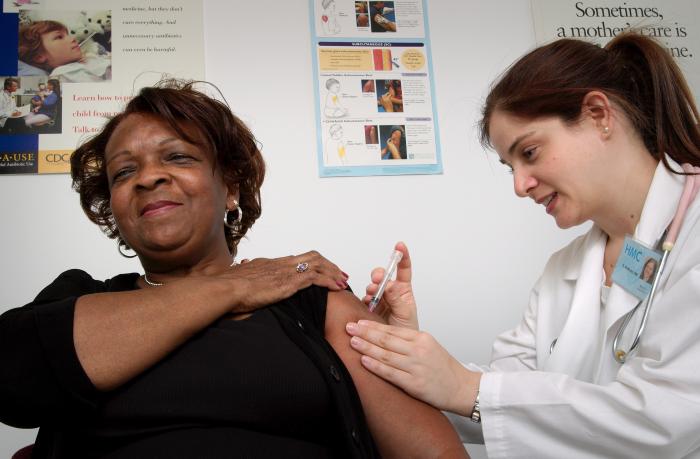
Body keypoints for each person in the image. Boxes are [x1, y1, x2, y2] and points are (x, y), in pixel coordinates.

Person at [0, 79, 466, 458]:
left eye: (178, 157)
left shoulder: (312, 297)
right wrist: (233, 285)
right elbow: (11, 382)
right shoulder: (81, 298)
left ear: (233, 188)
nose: (146, 178)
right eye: (123, 172)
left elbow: (431, 453)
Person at [346, 31, 700, 458]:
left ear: (598, 114)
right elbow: (501, 392)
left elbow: (667, 419)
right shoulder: (565, 269)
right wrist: (406, 355)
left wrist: (465, 387)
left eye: (529, 152)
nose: (519, 185)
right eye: (509, 165)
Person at [18, 20, 111, 83]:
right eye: (59, 37)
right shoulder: (65, 74)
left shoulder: (75, 66)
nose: (73, 39)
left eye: (68, 34)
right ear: (39, 57)